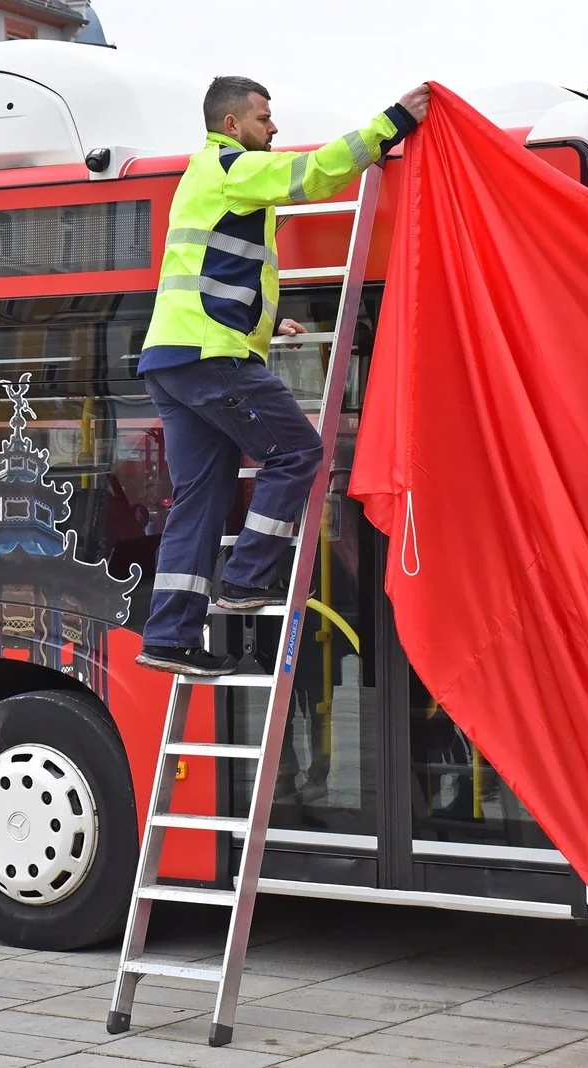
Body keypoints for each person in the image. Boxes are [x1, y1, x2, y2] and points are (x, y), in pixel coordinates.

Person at [134, 76, 431, 676]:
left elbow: (219, 277)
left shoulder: (210, 182)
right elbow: (314, 174)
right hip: (210, 357)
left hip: (173, 359)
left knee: (201, 498)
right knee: (299, 453)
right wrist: (393, 121)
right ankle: (245, 580)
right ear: (231, 125)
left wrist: (272, 328)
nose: (273, 129)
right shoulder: (233, 167)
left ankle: (168, 636)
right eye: (264, 118)